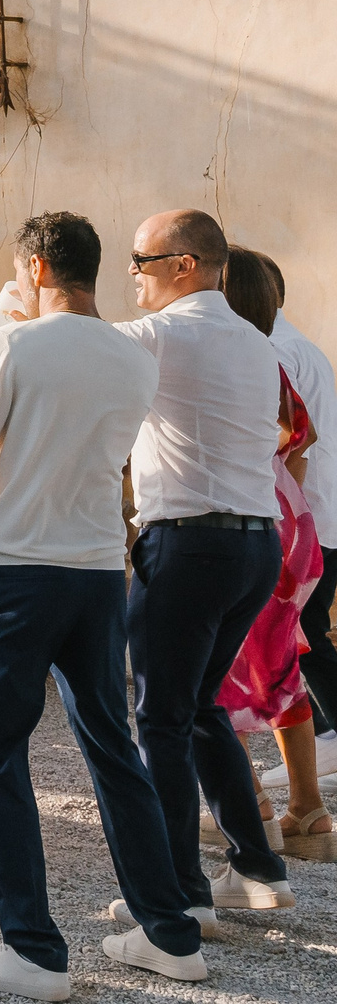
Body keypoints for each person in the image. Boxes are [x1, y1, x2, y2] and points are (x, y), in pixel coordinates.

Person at [0, 212, 204, 1000]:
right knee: (113, 748)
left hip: (18, 571)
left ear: (39, 267)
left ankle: (34, 948)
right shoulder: (133, 354)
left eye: (20, 273)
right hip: (96, 573)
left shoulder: (10, 345)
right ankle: (170, 931)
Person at [114, 209, 297, 918]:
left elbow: (80, 359)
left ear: (183, 263)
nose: (131, 270)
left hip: (189, 541)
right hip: (256, 543)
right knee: (197, 706)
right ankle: (259, 867)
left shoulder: (159, 332)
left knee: (160, 713)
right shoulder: (256, 342)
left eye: (140, 257)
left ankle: (177, 895)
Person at [215, 248, 324, 851]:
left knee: (218, 663)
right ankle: (307, 811)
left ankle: (249, 809)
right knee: (278, 664)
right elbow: (300, 448)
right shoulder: (275, 360)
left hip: (245, 520)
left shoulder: (231, 360)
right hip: (288, 521)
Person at [261, 253, 337, 858]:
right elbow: (303, 436)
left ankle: (247, 822)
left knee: (292, 637)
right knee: (296, 639)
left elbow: (294, 436)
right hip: (309, 515)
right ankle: (303, 805)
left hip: (294, 520)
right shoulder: (295, 346)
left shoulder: (274, 353)